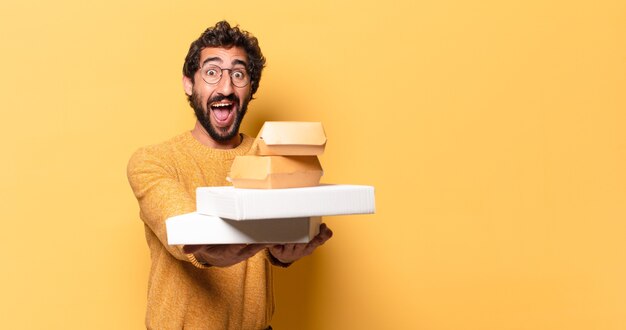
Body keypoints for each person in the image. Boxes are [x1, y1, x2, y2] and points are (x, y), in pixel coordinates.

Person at [127, 21, 333, 329]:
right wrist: (211, 252)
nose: (226, 88)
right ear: (188, 83)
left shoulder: (272, 155)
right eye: (212, 72)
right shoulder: (153, 161)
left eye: (238, 74)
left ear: (251, 88)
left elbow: (279, 230)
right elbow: (180, 228)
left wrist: (282, 253)